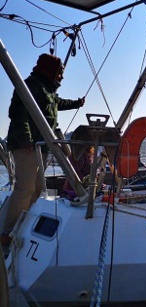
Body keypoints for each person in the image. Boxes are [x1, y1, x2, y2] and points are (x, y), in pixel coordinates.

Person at [1, 53, 85, 249]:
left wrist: (76, 104)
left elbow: (58, 103)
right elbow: (18, 113)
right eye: (60, 73)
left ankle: (22, 223)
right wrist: (26, 140)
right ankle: (6, 232)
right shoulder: (30, 85)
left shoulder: (48, 90)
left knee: (38, 188)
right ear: (51, 71)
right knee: (25, 187)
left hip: (40, 146)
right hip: (27, 147)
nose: (61, 77)